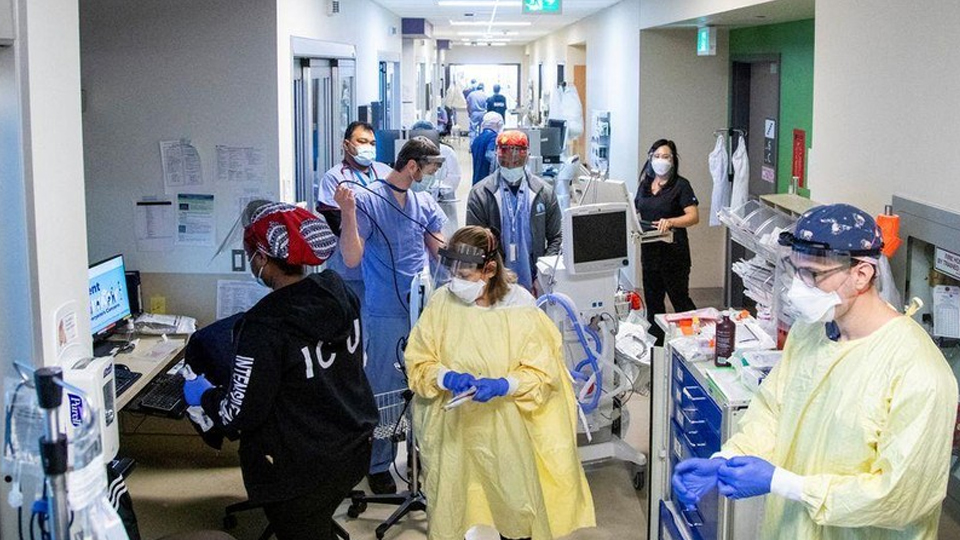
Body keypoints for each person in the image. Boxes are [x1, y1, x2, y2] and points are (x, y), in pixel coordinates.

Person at [672, 203, 958, 540]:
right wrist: (728, 458)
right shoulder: (811, 333)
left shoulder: (919, 371)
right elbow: (771, 414)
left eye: (813, 275)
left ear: (861, 274)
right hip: (792, 529)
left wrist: (785, 483)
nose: (798, 287)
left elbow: (901, 497)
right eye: (796, 271)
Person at [182, 200, 378, 540]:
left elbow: (237, 414)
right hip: (353, 446)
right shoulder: (339, 291)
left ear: (262, 258)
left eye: (251, 255)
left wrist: (204, 395)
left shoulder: (263, 325)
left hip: (299, 470)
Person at [405, 225, 595, 540]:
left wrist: (503, 385)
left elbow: (541, 373)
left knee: (513, 511)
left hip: (508, 434)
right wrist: (445, 376)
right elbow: (420, 359)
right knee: (459, 504)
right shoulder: (443, 302)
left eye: (464, 275)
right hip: (456, 433)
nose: (456, 282)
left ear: (490, 269)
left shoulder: (520, 307)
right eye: (453, 272)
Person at [335, 137, 447, 494]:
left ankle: (419, 452)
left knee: (424, 384)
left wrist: (469, 252)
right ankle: (379, 462)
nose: (430, 176)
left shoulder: (424, 202)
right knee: (384, 389)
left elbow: (438, 247)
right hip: (385, 312)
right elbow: (352, 258)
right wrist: (348, 214)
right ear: (412, 166)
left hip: (422, 309)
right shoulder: (367, 201)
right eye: (428, 169)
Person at [467, 130, 561, 293]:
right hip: (495, 283)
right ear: (497, 154)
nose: (512, 159)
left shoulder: (543, 192)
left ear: (527, 155)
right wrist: (492, 278)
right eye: (506, 153)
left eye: (518, 153)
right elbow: (475, 243)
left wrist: (543, 275)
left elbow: (557, 237)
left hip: (534, 281)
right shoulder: (481, 194)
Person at [315, 121, 393, 301]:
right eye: (362, 141)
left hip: (382, 265)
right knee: (350, 318)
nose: (368, 147)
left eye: (372, 144)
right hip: (350, 271)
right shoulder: (335, 178)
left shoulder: (386, 172)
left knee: (375, 319)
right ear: (346, 145)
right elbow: (338, 225)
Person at [633, 138, 699, 345]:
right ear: (651, 158)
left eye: (666, 157)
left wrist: (670, 221)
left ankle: (695, 341)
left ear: (673, 160)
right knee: (653, 306)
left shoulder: (681, 186)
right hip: (650, 253)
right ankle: (657, 351)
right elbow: (636, 209)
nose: (661, 160)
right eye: (657, 156)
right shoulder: (645, 185)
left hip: (673, 255)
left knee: (680, 301)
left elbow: (693, 216)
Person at [410, 120, 462, 238]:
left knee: (443, 237)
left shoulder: (446, 151)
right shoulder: (409, 153)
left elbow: (454, 177)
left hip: (442, 203)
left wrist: (438, 189)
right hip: (416, 203)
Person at [470, 111, 503, 185]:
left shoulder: (477, 139)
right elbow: (490, 156)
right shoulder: (493, 138)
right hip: (487, 181)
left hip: (477, 180)